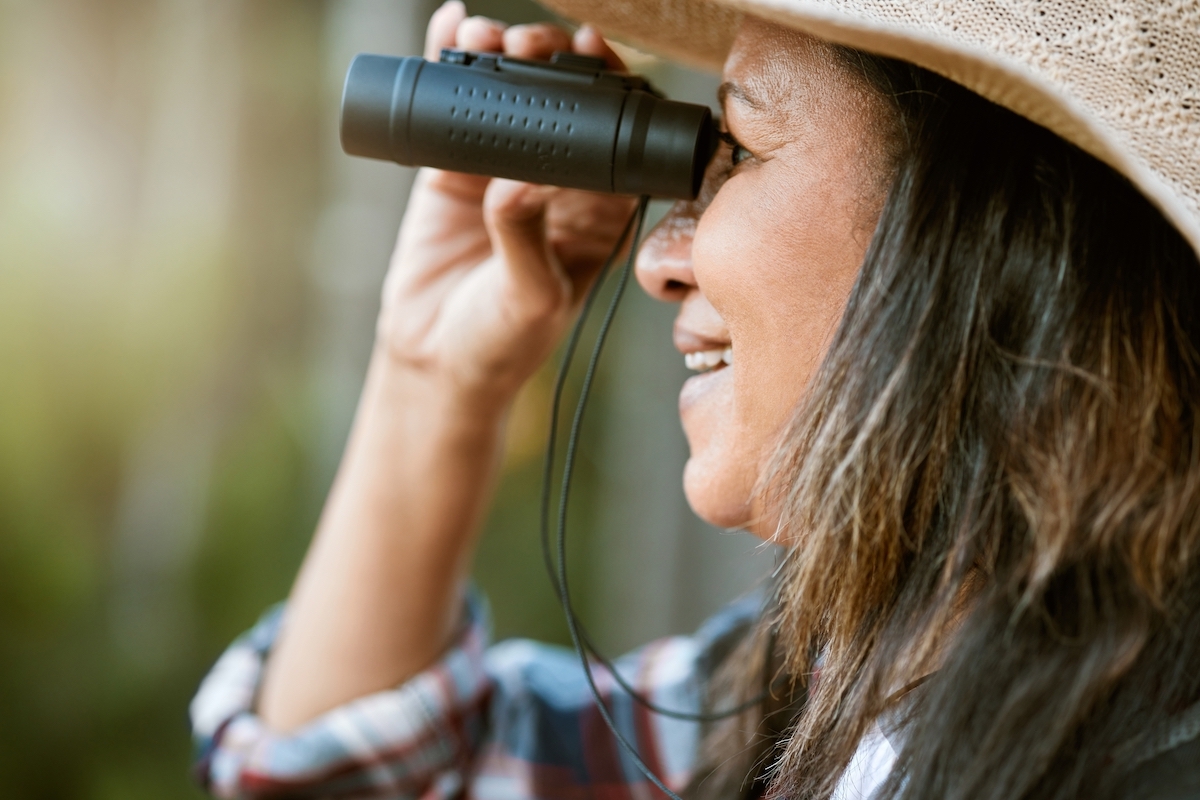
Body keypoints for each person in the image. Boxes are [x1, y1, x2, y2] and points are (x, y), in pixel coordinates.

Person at [190, 1, 1200, 798]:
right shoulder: (808, 701)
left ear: (992, 232)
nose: (660, 256)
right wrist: (437, 377)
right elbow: (348, 777)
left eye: (743, 147)